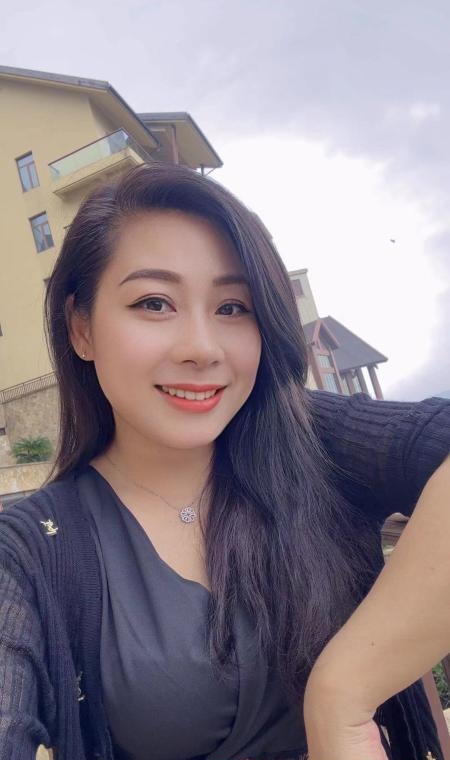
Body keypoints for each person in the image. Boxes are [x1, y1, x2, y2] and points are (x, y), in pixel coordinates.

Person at [0, 163, 448, 760]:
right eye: (154, 303)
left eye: (233, 308)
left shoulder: (312, 440)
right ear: (81, 328)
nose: (202, 348)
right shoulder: (31, 550)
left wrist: (341, 695)